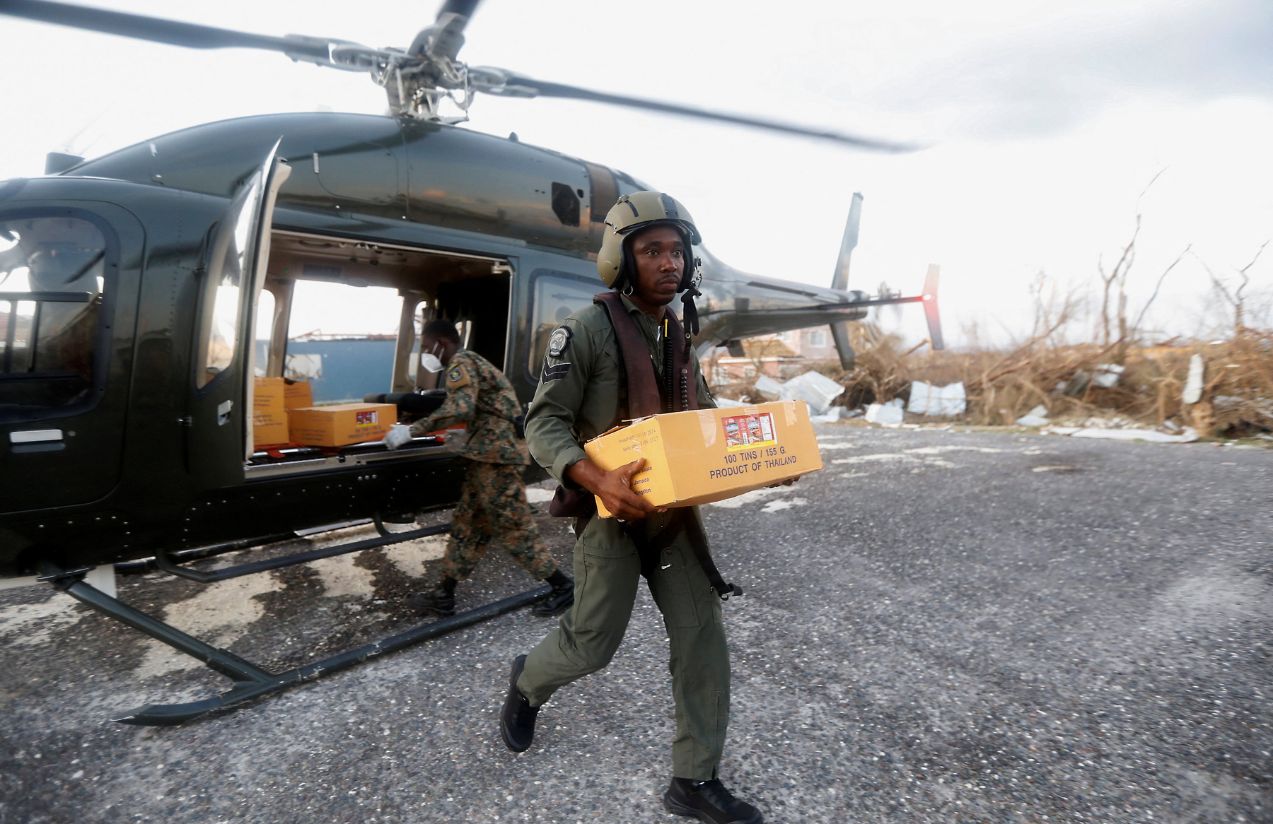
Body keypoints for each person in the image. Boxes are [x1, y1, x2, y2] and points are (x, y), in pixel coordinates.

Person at [500, 192, 763, 824]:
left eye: (677, 251)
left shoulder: (679, 334)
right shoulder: (586, 332)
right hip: (609, 517)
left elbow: (697, 422)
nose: (669, 263)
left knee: (704, 641)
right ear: (621, 260)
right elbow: (544, 423)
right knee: (591, 646)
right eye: (652, 251)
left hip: (673, 519)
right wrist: (595, 477)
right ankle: (528, 681)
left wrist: (760, 459)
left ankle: (693, 780)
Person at [386, 319, 574, 619]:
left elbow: (461, 407)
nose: (425, 353)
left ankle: (563, 586)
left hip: (496, 460)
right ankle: (444, 595)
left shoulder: (460, 363)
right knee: (467, 525)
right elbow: (480, 409)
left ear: (441, 343)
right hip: (486, 457)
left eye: (426, 347)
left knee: (514, 526)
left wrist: (412, 430)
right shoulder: (471, 361)